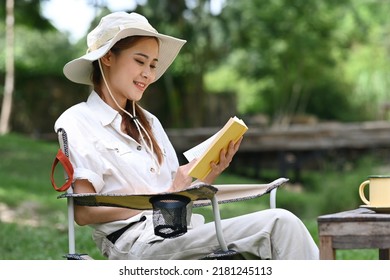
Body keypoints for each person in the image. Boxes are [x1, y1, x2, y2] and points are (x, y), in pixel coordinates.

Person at [54, 11, 319, 260]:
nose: (148, 74)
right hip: (137, 245)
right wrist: (165, 196)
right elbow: (84, 211)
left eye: (153, 65)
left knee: (281, 225)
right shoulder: (77, 122)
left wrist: (209, 172)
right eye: (140, 61)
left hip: (182, 231)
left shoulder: (150, 123)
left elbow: (177, 195)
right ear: (107, 58)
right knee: (279, 223)